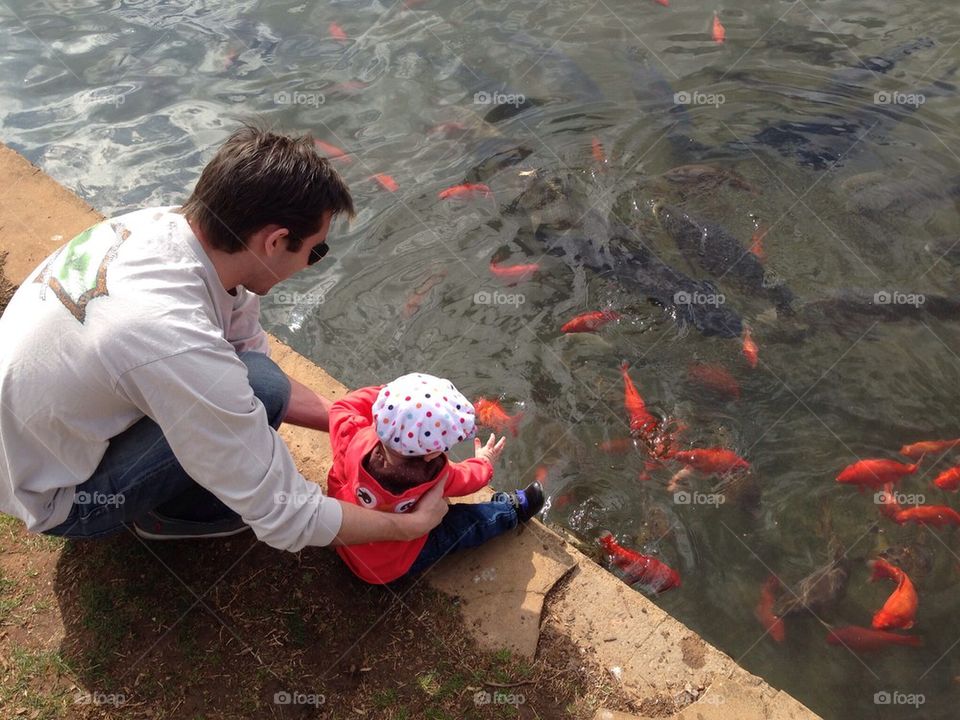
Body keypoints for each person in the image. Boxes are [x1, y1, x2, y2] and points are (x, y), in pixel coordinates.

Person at [0, 124, 450, 550]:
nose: (312, 262)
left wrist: (361, 424)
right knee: (255, 397)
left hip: (36, 445)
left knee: (262, 382)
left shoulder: (168, 230)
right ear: (275, 241)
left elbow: (247, 358)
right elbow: (287, 516)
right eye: (316, 251)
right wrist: (408, 526)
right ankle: (177, 516)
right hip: (59, 498)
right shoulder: (173, 336)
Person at [327, 372, 544, 584]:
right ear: (431, 454)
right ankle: (512, 510)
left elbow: (340, 408)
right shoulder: (433, 476)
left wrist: (393, 396)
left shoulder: (352, 434)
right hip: (389, 566)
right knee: (462, 525)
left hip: (340, 533)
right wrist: (484, 462)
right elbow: (470, 479)